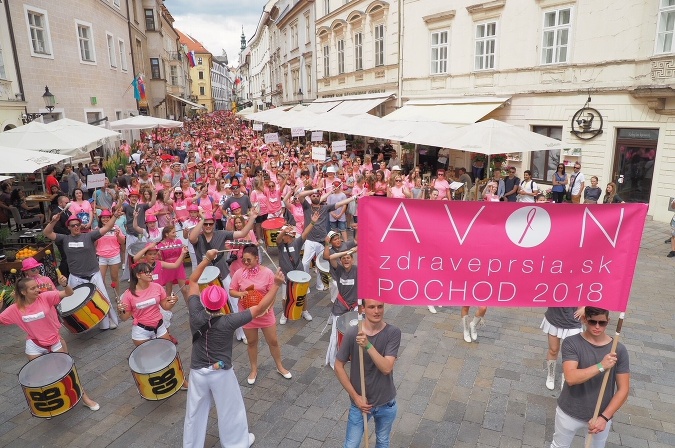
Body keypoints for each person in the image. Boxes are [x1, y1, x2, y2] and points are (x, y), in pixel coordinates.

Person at [183, 248, 284, 448]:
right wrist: (276, 286)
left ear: (203, 301)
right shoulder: (229, 321)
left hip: (197, 370)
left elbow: (192, 281)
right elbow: (261, 308)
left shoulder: (194, 313)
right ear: (223, 304)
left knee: (193, 412)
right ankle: (236, 443)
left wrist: (206, 260)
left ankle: (191, 445)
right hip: (221, 371)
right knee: (230, 409)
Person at [0, 276, 100, 411]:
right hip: (34, 345)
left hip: (54, 341)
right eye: (33, 288)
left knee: (67, 371)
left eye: (37, 286)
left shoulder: (46, 297)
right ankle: (49, 405)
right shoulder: (15, 309)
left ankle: (85, 399)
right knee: (40, 376)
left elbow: (69, 293)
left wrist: (65, 285)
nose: (37, 290)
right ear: (24, 292)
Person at [550, 307, 630, 448]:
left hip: (600, 415)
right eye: (593, 322)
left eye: (602, 323)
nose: (597, 326)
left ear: (608, 321)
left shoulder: (618, 349)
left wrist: (605, 417)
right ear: (585, 319)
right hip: (569, 411)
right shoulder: (571, 343)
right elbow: (571, 378)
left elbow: (623, 389)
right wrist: (601, 365)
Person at [335, 299, 401, 448]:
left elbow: (386, 368)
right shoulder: (353, 333)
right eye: (371, 307)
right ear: (363, 309)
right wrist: (356, 397)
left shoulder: (393, 333)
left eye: (380, 307)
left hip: (386, 403)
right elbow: (338, 366)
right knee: (351, 445)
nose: (376, 311)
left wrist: (368, 345)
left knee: (383, 441)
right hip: (360, 404)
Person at [43, 210, 121, 329]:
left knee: (103, 299)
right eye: (73, 225)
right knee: (73, 301)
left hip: (94, 274)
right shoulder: (64, 239)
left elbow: (107, 227)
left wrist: (115, 216)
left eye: (78, 224)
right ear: (68, 227)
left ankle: (107, 321)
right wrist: (54, 221)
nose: (76, 227)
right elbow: (47, 232)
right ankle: (79, 324)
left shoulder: (89, 235)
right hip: (76, 277)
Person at [229, 245, 291, 385]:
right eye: (243, 260)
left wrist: (267, 307)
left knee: (273, 341)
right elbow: (232, 290)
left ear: (257, 258)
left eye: (249, 260)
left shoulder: (268, 272)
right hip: (247, 314)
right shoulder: (239, 273)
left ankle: (280, 366)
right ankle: (253, 369)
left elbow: (272, 292)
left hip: (265, 313)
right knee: (251, 342)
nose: (245, 263)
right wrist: (240, 294)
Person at [118, 262, 180, 347]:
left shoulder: (157, 287)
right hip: (141, 331)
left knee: (167, 352)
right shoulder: (129, 294)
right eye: (146, 272)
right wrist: (120, 310)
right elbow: (124, 318)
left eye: (150, 271)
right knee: (148, 358)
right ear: (138, 275)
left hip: (159, 326)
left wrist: (173, 302)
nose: (150, 274)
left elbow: (165, 306)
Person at [276, 215, 319, 325]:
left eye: (284, 234)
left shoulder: (297, 242)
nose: (281, 236)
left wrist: (312, 222)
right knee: (285, 298)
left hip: (299, 275)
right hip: (286, 277)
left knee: (302, 295)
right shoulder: (280, 245)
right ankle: (285, 314)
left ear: (289, 236)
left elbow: (305, 233)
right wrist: (283, 231)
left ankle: (304, 311)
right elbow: (277, 239)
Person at [325, 247, 358, 369]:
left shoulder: (357, 270)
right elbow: (330, 257)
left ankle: (351, 356)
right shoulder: (338, 270)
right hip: (340, 306)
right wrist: (348, 252)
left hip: (354, 307)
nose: (345, 260)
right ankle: (332, 361)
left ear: (353, 260)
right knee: (334, 336)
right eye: (343, 259)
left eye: (348, 258)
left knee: (355, 334)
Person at [541, 307, 584, 390]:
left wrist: (585, 307)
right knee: (553, 350)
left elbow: (593, 295)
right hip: (555, 316)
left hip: (574, 320)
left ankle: (566, 377)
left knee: (571, 354)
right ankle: (550, 375)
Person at [95, 210, 125, 296]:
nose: (105, 219)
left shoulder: (116, 227)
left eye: (107, 217)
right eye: (103, 217)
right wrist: (96, 236)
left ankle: (117, 295)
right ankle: (104, 296)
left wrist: (118, 235)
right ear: (100, 219)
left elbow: (122, 242)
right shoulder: (97, 229)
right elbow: (94, 244)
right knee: (101, 279)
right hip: (101, 256)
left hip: (114, 255)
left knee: (115, 277)